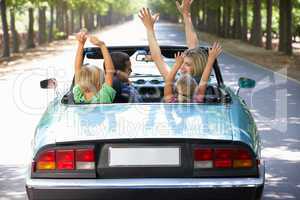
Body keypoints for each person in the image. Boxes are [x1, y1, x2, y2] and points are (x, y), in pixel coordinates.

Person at [139, 3, 222, 102]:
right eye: (182, 63)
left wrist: (149, 28)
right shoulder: (198, 93)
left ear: (197, 65)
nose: (181, 66)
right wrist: (186, 15)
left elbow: (158, 58)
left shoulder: (172, 83)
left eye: (187, 64)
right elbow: (192, 48)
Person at [72, 32, 116, 104]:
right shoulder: (103, 97)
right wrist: (102, 45)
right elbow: (110, 72)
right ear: (100, 83)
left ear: (80, 80)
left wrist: (81, 44)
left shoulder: (78, 96)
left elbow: (77, 69)